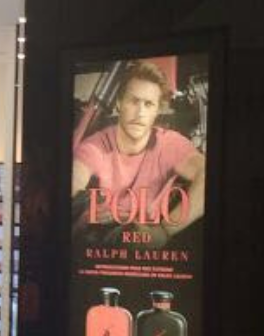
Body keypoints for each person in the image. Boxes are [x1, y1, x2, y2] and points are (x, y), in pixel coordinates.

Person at [70, 61, 204, 243]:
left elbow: (207, 174)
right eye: (134, 101)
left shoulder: (168, 143)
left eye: (148, 104)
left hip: (147, 243)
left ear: (157, 111)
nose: (140, 112)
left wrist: (165, 231)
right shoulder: (97, 145)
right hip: (101, 240)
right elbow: (74, 179)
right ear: (119, 104)